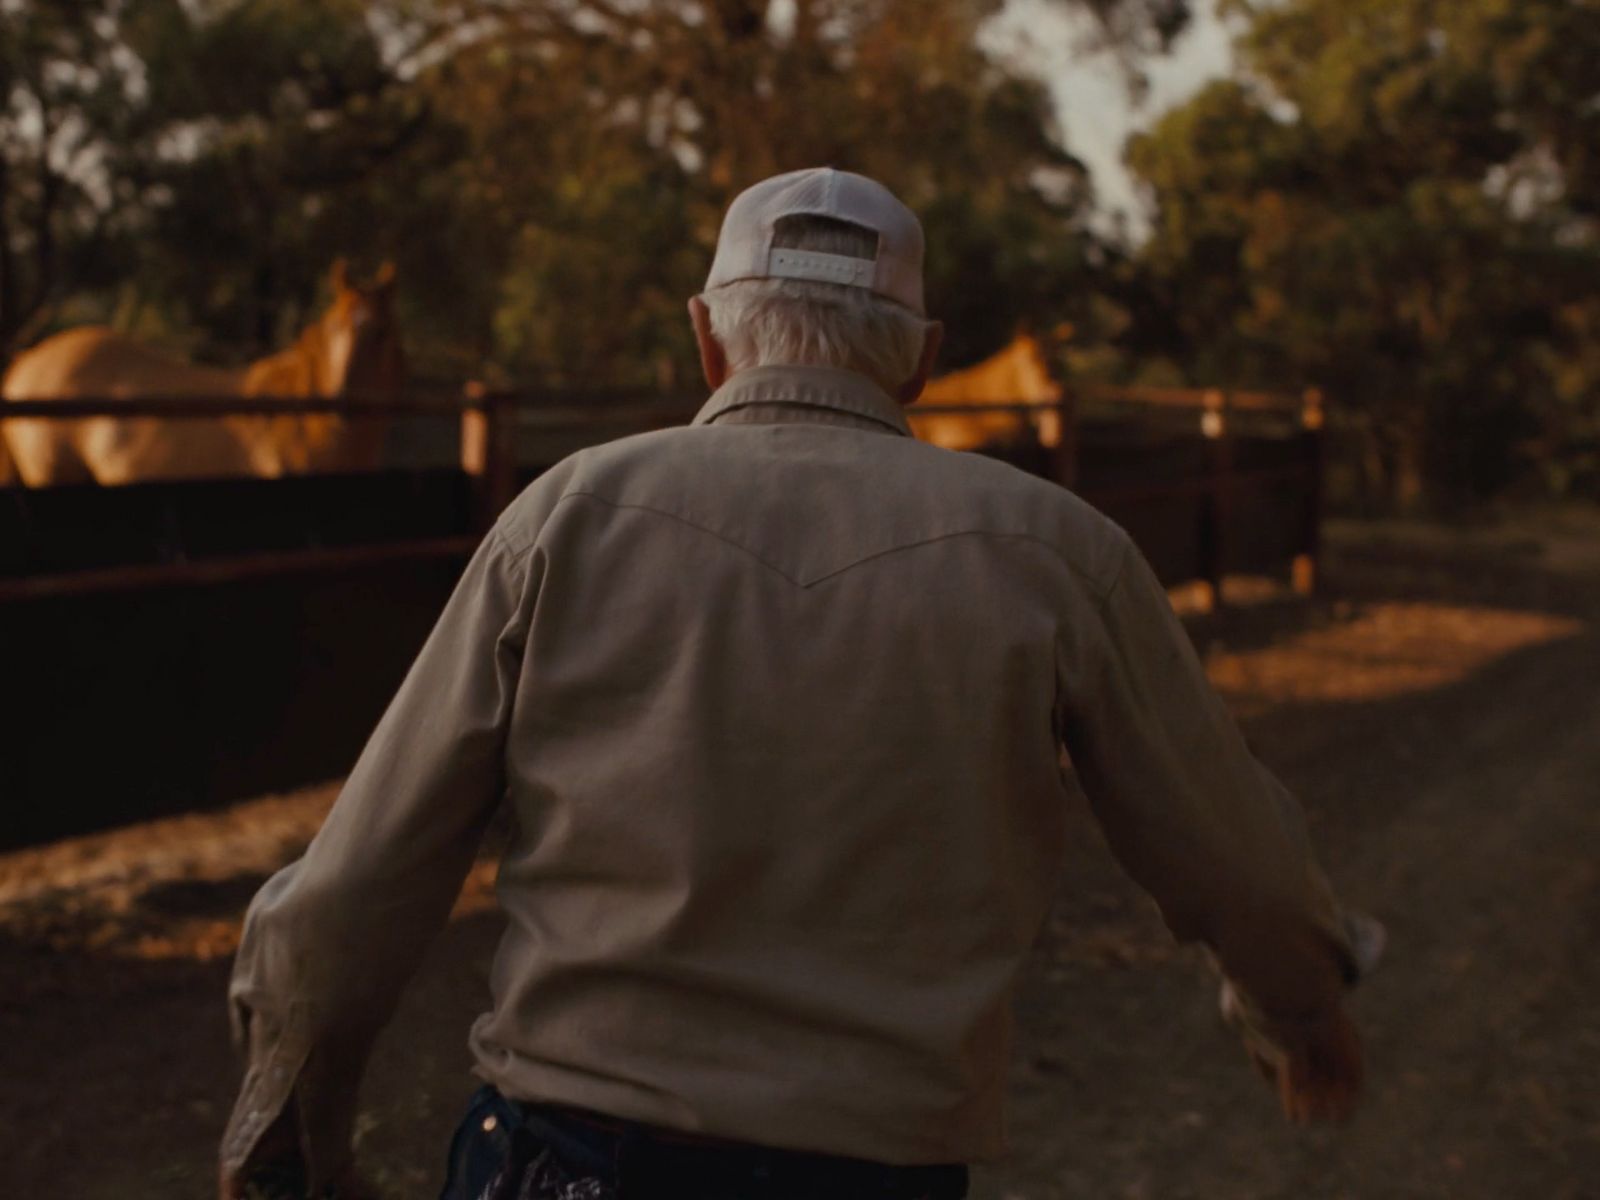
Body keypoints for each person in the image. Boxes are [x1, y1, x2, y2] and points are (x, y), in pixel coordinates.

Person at [220, 167, 1374, 1200]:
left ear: (707, 340)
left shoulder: (565, 518)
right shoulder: (1059, 554)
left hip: (563, 1164)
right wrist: (1298, 1016)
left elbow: (358, 883)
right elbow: (1240, 864)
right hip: (873, 1174)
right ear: (922, 358)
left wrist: (289, 1147)